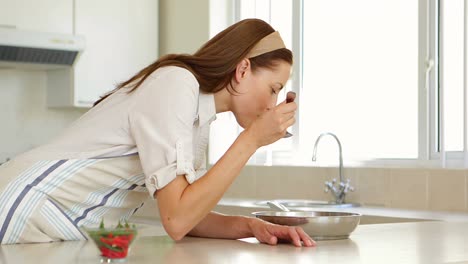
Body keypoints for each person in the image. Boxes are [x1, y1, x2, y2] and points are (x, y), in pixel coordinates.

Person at [0, 18, 315, 247]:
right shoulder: (176, 84)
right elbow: (176, 221)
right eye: (273, 89)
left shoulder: (198, 119)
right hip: (25, 205)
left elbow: (189, 214)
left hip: (57, 224)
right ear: (243, 70)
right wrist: (251, 140)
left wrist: (253, 226)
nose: (272, 103)